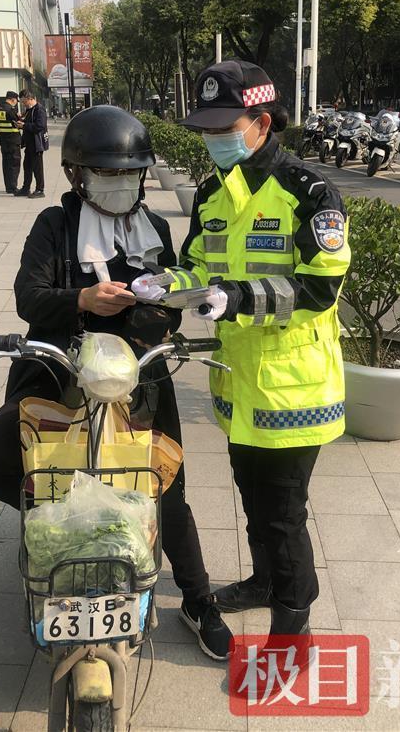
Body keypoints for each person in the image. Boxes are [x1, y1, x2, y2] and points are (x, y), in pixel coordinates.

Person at [0, 105, 232, 660]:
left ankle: (197, 599)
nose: (120, 183)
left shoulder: (156, 228)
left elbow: (173, 300)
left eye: (131, 173)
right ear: (76, 174)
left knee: (164, 485)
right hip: (58, 372)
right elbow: (29, 298)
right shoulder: (55, 226)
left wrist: (156, 312)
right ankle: (62, 532)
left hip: (139, 376)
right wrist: (82, 299)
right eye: (107, 173)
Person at [133, 61, 351, 636]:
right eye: (206, 128)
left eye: (223, 127)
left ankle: (292, 630)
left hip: (293, 388)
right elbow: (199, 267)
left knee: (282, 515)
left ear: (261, 122)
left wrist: (235, 297)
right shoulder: (212, 192)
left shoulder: (307, 191)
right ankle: (264, 582)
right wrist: (166, 284)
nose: (212, 139)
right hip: (239, 382)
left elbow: (320, 288)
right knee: (253, 497)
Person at [15, 90, 48, 198]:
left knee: (37, 168)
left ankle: (40, 190)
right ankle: (26, 188)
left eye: (24, 102)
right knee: (27, 167)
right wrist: (21, 123)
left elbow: (40, 126)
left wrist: (24, 125)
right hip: (29, 144)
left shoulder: (39, 110)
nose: (23, 104)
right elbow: (29, 123)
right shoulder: (30, 110)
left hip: (37, 144)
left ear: (30, 99)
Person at [0, 91, 23, 194]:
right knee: (14, 164)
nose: (16, 103)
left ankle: (8, 186)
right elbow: (18, 122)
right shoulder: (10, 110)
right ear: (13, 99)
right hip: (13, 141)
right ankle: (13, 187)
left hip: (3, 141)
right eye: (16, 101)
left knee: (6, 164)